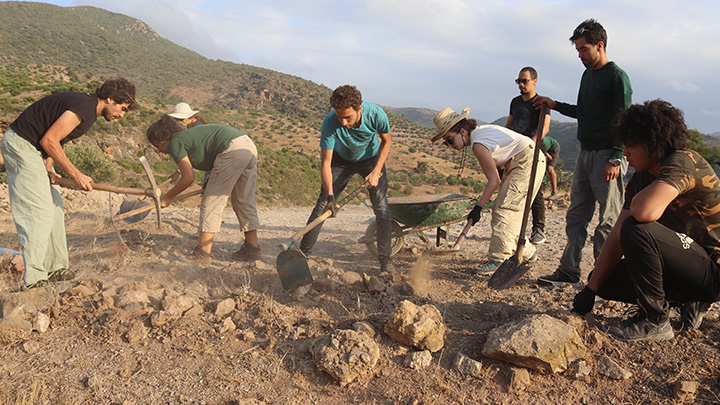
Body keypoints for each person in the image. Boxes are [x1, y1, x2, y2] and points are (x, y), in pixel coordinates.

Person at [571, 100, 720, 341]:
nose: (625, 152)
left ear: (653, 144)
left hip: (712, 267)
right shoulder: (642, 178)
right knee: (603, 280)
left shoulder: (682, 162)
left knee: (638, 228)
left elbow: (644, 213)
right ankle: (687, 300)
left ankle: (655, 321)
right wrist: (591, 289)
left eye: (631, 145)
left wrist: (636, 202)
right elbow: (617, 234)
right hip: (685, 259)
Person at [1, 78, 136, 290]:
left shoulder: (89, 111)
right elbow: (49, 141)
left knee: (55, 208)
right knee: (39, 212)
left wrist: (48, 169)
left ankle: (55, 269)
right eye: (122, 108)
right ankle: (34, 279)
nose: (121, 114)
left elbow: (54, 141)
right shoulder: (85, 107)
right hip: (21, 147)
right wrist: (77, 175)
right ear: (110, 98)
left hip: (35, 151)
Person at [534, 19, 632, 287]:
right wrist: (554, 104)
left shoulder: (617, 77)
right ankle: (568, 271)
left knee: (608, 221)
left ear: (599, 46)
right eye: (577, 50)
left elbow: (625, 119)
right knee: (576, 216)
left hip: (607, 157)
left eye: (583, 49)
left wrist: (616, 156)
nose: (580, 55)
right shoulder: (587, 75)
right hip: (586, 154)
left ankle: (606, 278)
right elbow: (583, 112)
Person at [432, 107, 545, 275]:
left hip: (526, 161)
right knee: (509, 213)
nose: (449, 146)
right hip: (524, 160)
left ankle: (497, 260)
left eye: (450, 140)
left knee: (504, 210)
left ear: (462, 131)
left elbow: (494, 180)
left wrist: (478, 207)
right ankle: (528, 252)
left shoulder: (478, 144)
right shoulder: (479, 134)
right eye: (446, 143)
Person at [299, 85, 393, 272]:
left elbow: (386, 141)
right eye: (338, 116)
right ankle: (301, 257)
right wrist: (331, 197)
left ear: (359, 108)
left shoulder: (376, 114)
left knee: (382, 208)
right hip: (340, 160)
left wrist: (376, 171)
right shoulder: (329, 122)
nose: (342, 122)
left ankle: (386, 261)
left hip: (371, 159)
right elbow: (326, 163)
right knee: (321, 206)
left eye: (347, 117)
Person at [147, 116, 261, 265]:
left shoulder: (175, 142)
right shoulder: (186, 137)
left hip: (231, 150)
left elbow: (188, 178)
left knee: (211, 203)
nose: (159, 151)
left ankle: (203, 254)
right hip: (247, 145)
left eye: (157, 147)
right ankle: (252, 249)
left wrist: (167, 198)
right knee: (243, 201)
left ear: (160, 140)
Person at [506, 66, 552, 245]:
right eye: (518, 81)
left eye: (524, 81)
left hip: (534, 150)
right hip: (515, 150)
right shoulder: (515, 102)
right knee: (515, 189)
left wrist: (530, 146)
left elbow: (545, 128)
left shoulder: (542, 103)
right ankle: (516, 230)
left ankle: (538, 230)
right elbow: (510, 124)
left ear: (535, 81)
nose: (521, 84)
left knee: (536, 191)